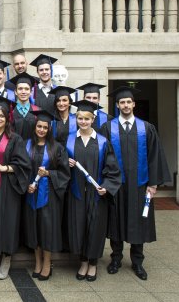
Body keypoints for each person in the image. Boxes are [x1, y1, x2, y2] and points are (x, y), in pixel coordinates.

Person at [100, 86, 171, 281]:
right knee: (116, 220)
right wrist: (105, 182)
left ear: (133, 104)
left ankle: (138, 262)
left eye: (128, 102)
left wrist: (153, 183)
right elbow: (102, 156)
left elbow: (154, 156)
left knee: (139, 222)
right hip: (116, 185)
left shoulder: (146, 128)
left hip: (140, 186)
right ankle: (115, 259)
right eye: (122, 102)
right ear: (117, 105)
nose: (125, 105)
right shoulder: (108, 128)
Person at [65, 100, 121, 282]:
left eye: (86, 119)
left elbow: (112, 168)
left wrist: (107, 186)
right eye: (80, 118)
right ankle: (83, 261)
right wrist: (65, 162)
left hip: (97, 195)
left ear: (93, 119)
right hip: (77, 193)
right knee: (79, 226)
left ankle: (93, 263)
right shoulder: (69, 140)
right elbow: (58, 163)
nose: (83, 122)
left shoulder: (103, 142)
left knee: (95, 228)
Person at [0, 96, 30, 280]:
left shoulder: (15, 138)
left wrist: (5, 168)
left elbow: (24, 164)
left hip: (8, 186)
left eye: (2, 116)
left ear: (8, 118)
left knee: (7, 223)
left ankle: (6, 259)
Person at [23, 110, 70, 281]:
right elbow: (21, 169)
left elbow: (65, 173)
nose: (42, 129)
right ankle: (37, 261)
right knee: (34, 229)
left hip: (49, 196)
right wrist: (26, 183)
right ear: (35, 127)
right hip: (31, 195)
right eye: (39, 126)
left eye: (45, 127)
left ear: (50, 129)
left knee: (47, 230)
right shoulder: (27, 144)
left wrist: (49, 173)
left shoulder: (57, 148)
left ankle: (47, 263)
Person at [10, 73, 40, 141]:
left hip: (32, 149)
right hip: (14, 149)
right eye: (20, 89)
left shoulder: (37, 111)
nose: (23, 92)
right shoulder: (10, 111)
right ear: (15, 92)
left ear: (31, 92)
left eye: (26, 89)